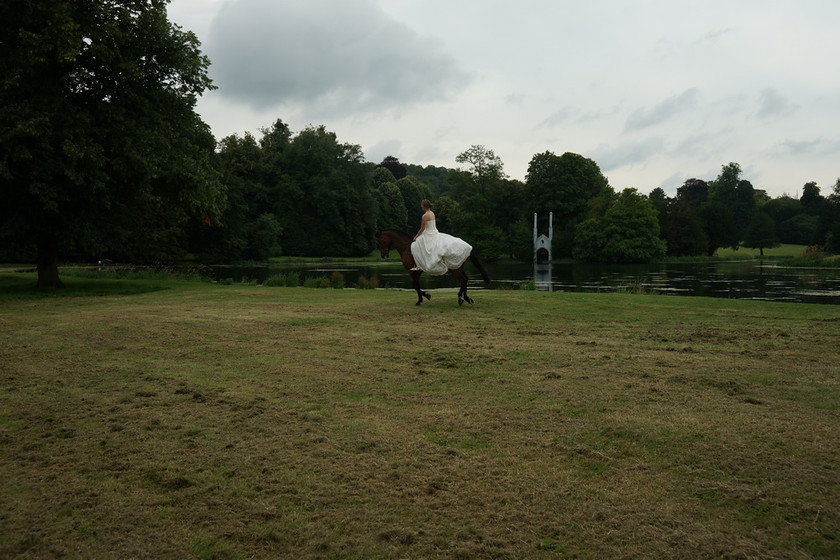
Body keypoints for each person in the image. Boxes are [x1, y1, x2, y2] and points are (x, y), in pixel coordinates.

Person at [410, 199, 472, 275]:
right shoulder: (432, 213)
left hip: (428, 233)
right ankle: (418, 265)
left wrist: (416, 236)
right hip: (434, 231)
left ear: (423, 206)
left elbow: (422, 228)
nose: (421, 206)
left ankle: (418, 265)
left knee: (414, 245)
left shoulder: (425, 215)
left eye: (421, 205)